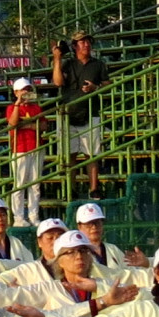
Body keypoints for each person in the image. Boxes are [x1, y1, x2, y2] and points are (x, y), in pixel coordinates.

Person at [52, 31, 109, 197]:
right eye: (82, 42)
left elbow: (107, 84)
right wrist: (57, 58)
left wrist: (95, 88)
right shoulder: (68, 64)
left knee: (91, 153)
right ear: (75, 46)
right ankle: (72, 189)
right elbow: (57, 82)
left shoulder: (98, 64)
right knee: (70, 154)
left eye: (87, 42)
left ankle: (94, 188)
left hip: (90, 112)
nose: (86, 45)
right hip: (68, 113)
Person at [6, 78, 45, 220]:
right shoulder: (12, 108)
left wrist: (27, 126)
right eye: (23, 90)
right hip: (20, 148)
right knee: (20, 184)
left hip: (36, 147)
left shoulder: (36, 108)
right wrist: (18, 104)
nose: (26, 92)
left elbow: (44, 126)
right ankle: (19, 217)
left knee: (35, 184)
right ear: (16, 92)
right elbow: (13, 123)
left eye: (28, 89)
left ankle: (34, 216)